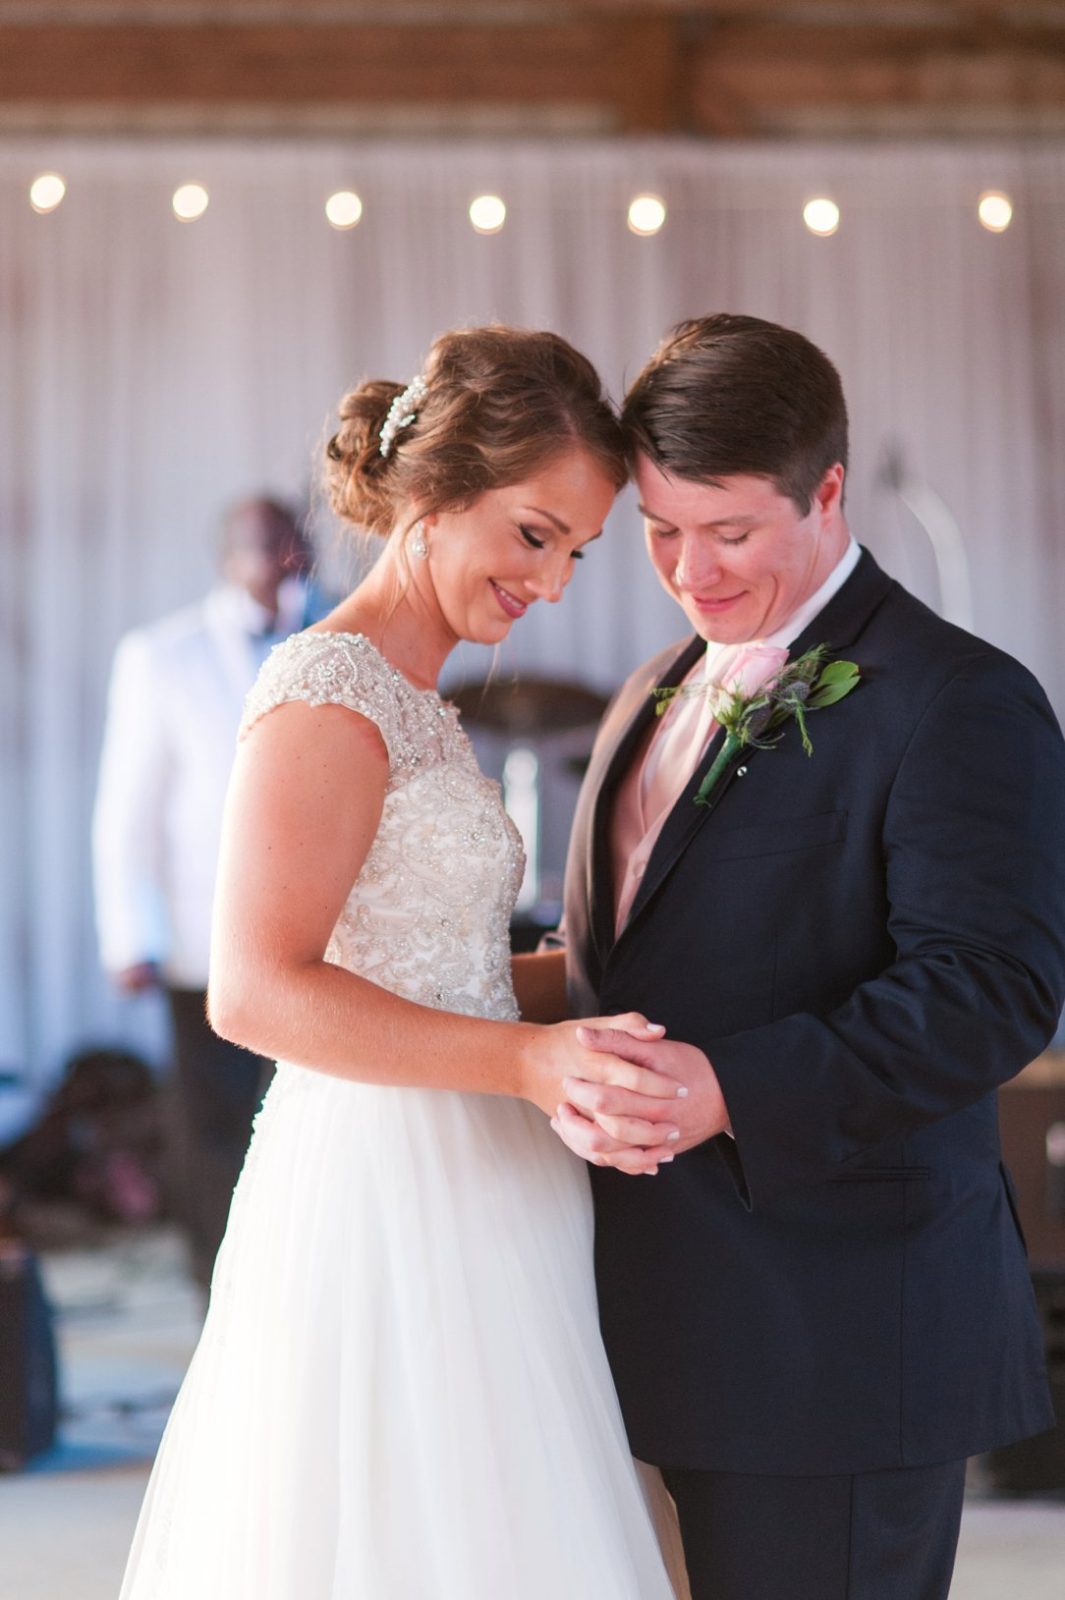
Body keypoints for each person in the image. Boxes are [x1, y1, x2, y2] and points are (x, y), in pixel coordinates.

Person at [118, 328, 688, 1600]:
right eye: (534, 534)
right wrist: (531, 1057)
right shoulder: (330, 689)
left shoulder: (418, 700)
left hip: (495, 1181)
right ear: (433, 494)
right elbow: (257, 988)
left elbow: (442, 977)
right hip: (382, 1193)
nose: (553, 582)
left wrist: (613, 985)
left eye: (577, 553)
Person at [548, 313, 1065, 1600]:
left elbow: (993, 988)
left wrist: (732, 1085)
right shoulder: (651, 687)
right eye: (663, 531)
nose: (692, 572)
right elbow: (628, 957)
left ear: (828, 491)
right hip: (634, 1323)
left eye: (731, 532)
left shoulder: (960, 699)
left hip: (832, 1340)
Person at [93, 496, 319, 1282]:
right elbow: (128, 811)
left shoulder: (332, 639)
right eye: (264, 548)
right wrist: (132, 936)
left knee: (293, 1120)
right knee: (208, 1128)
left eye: (291, 547)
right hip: (200, 937)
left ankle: (285, 1279)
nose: (280, 563)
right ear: (228, 556)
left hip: (315, 932)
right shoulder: (162, 655)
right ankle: (213, 1286)